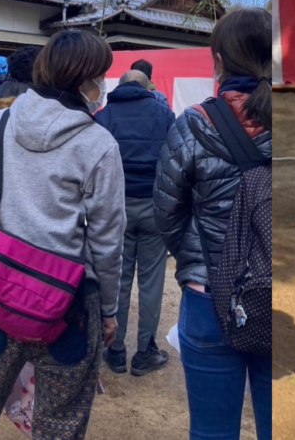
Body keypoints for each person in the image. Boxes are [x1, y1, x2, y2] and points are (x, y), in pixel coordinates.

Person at [0, 29, 126, 440]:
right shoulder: (99, 145)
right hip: (70, 305)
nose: (102, 87)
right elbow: (107, 242)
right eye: (100, 77)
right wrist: (108, 310)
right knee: (60, 424)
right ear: (84, 80)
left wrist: (2, 254)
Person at [154, 8, 273, 440]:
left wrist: (196, 266)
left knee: (211, 431)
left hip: (210, 297)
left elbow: (167, 211)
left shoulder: (193, 124)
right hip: (279, 293)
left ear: (219, 58)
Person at [96, 69, 176, 377]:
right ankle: (145, 351)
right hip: (154, 207)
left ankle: (115, 350)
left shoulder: (105, 115)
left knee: (119, 277)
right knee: (152, 280)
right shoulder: (165, 114)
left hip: (117, 207)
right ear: (147, 88)